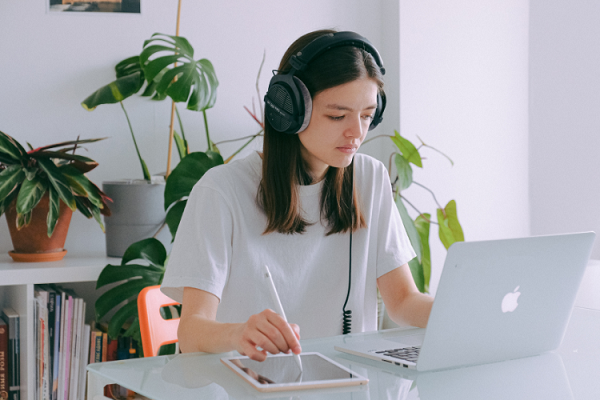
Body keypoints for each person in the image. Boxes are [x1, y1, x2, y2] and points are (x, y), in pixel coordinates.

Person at [160, 29, 434, 362]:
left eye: (366, 116)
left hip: (347, 387)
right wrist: (237, 333)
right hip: (245, 384)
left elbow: (403, 302)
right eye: (337, 116)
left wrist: (468, 311)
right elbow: (191, 331)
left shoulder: (370, 179)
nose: (356, 133)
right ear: (288, 110)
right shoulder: (221, 190)